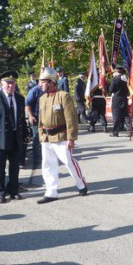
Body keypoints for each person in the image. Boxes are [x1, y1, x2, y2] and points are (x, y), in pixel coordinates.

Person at [36, 67, 87, 204]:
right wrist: (41, 135)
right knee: (47, 165)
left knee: (68, 161)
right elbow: (40, 119)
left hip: (61, 136)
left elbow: (71, 119)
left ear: (51, 82)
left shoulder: (63, 96)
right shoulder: (42, 99)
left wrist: (71, 138)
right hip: (46, 138)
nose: (39, 84)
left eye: (42, 82)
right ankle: (51, 192)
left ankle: (81, 183)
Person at [0, 71, 29, 204]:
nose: (10, 86)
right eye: (8, 83)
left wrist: (25, 134)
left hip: (15, 137)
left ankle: (14, 190)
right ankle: (0, 192)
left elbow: (21, 119)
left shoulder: (20, 98)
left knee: (14, 166)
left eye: (13, 83)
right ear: (2, 84)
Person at [25, 79, 46, 166]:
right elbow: (27, 103)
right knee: (36, 138)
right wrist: (30, 116)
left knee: (45, 138)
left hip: (46, 118)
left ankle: (44, 156)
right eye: (41, 82)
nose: (42, 84)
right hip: (36, 117)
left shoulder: (48, 90)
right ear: (38, 82)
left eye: (44, 82)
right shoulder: (34, 90)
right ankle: (37, 159)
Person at [109, 66, 131, 137]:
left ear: (117, 72)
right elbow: (128, 90)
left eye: (114, 72)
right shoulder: (125, 79)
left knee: (116, 116)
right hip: (124, 98)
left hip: (117, 99)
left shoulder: (115, 79)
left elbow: (111, 90)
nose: (113, 74)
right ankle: (130, 130)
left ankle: (115, 132)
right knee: (126, 115)